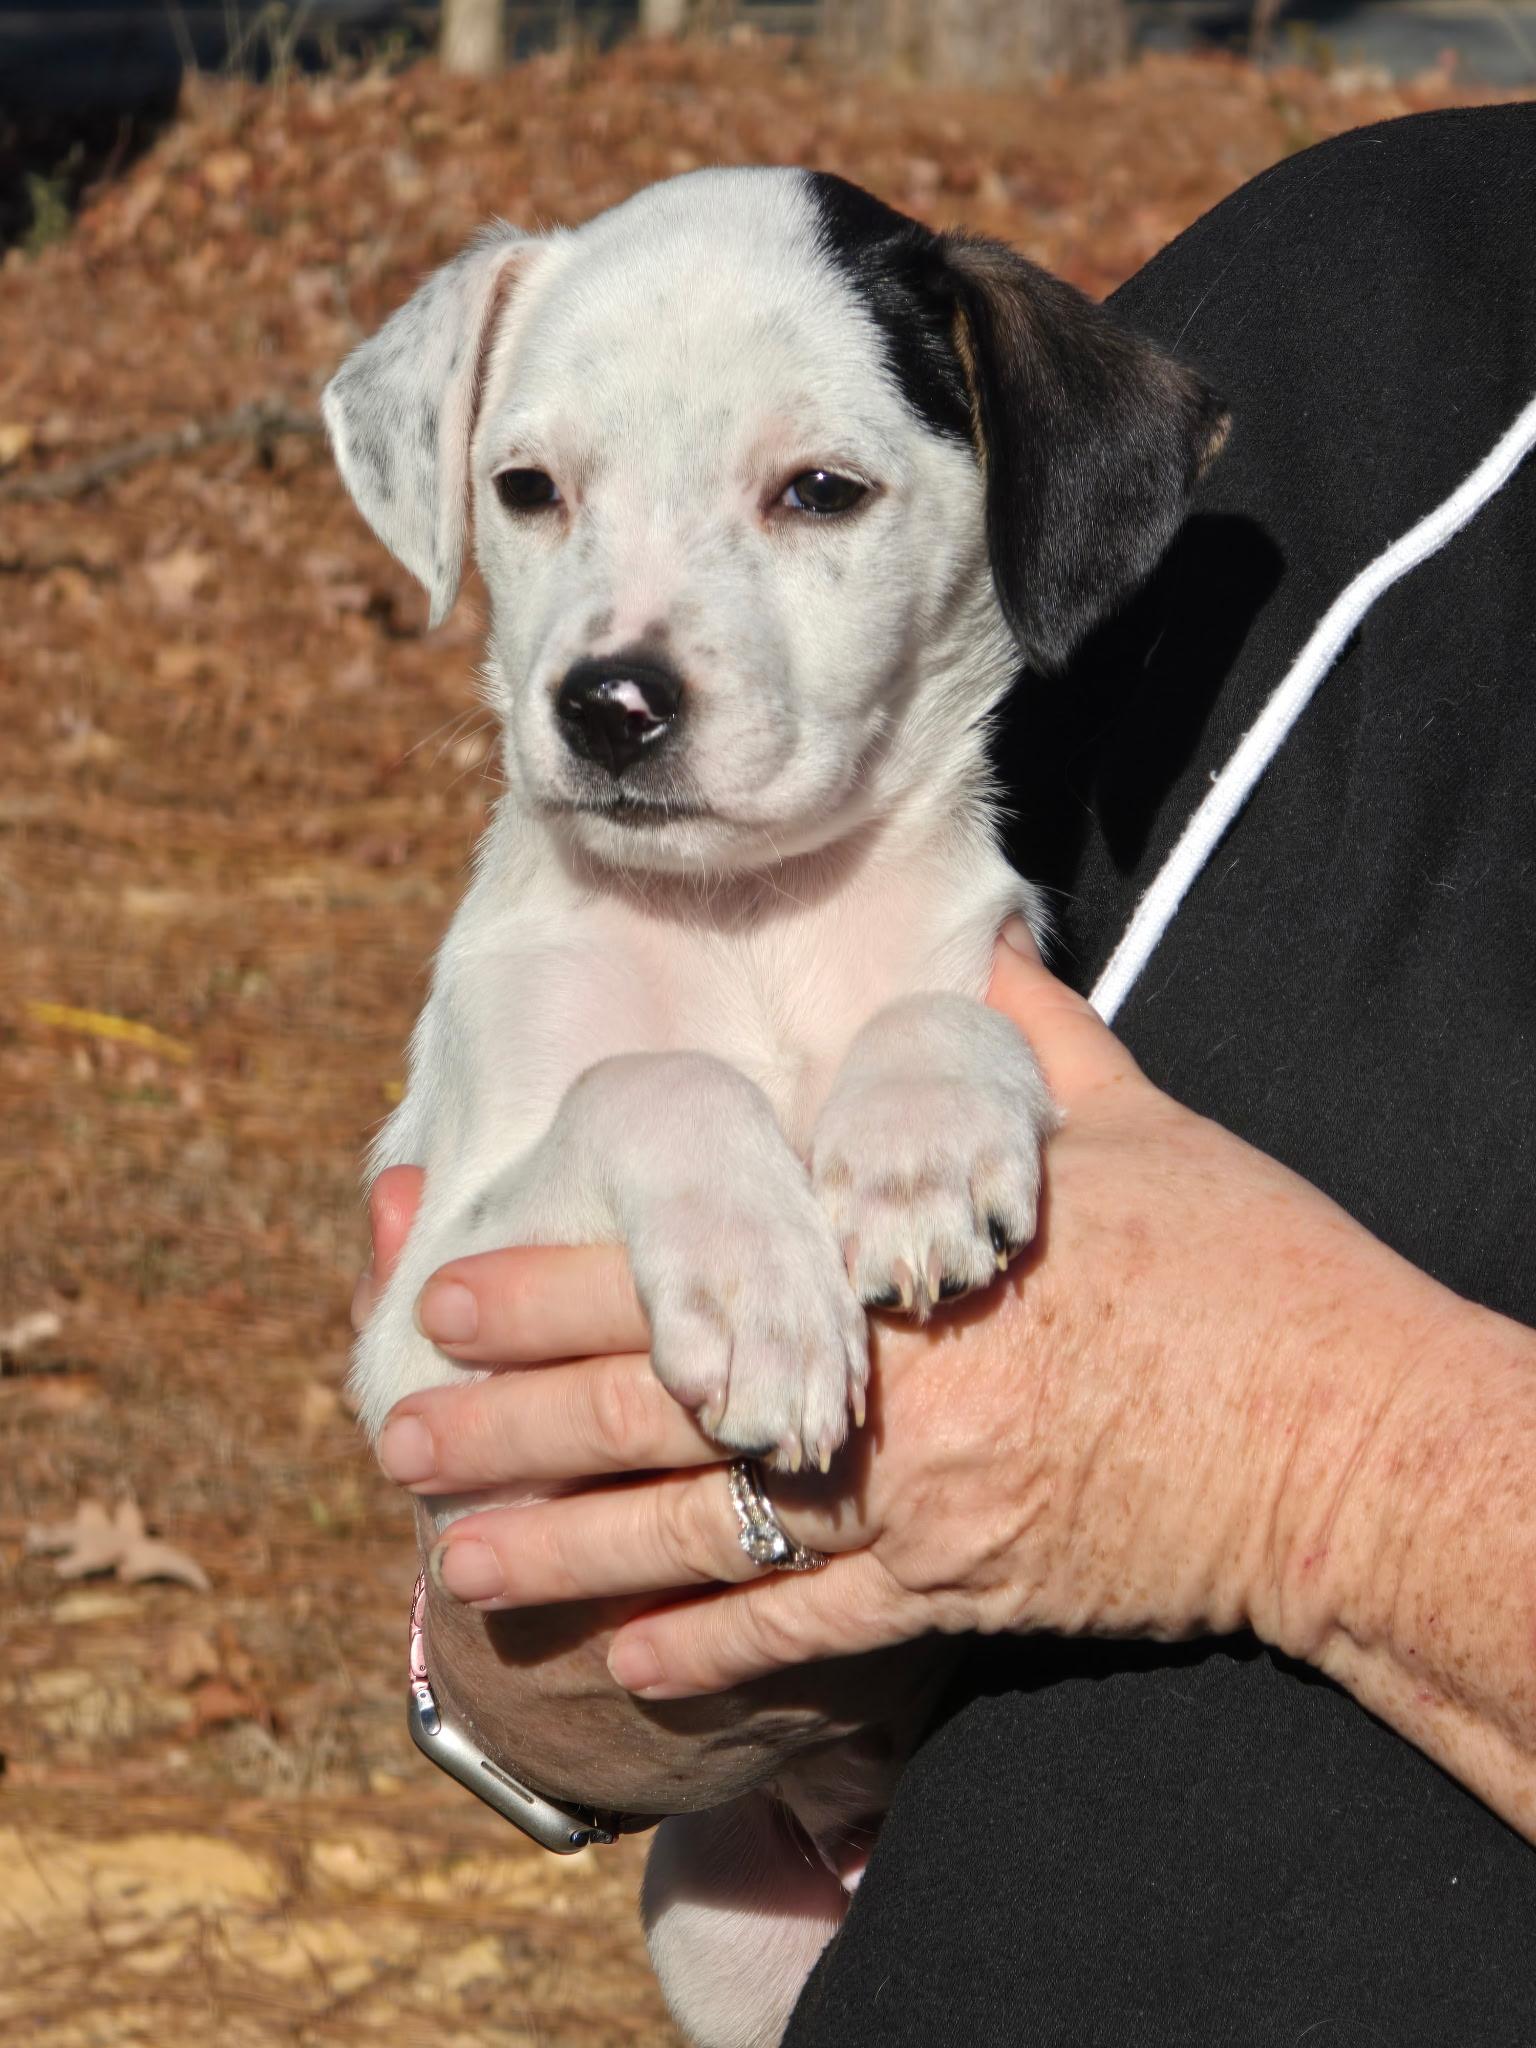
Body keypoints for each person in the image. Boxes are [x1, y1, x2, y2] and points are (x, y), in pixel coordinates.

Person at [354, 103, 1536, 2042]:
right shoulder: (1386, 283)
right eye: (539, 495)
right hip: (802, 1903)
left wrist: (1302, 1462)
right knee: (724, 1915)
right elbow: (434, 1383)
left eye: (815, 495)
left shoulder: (967, 934)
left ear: (1022, 499)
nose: (620, 657)